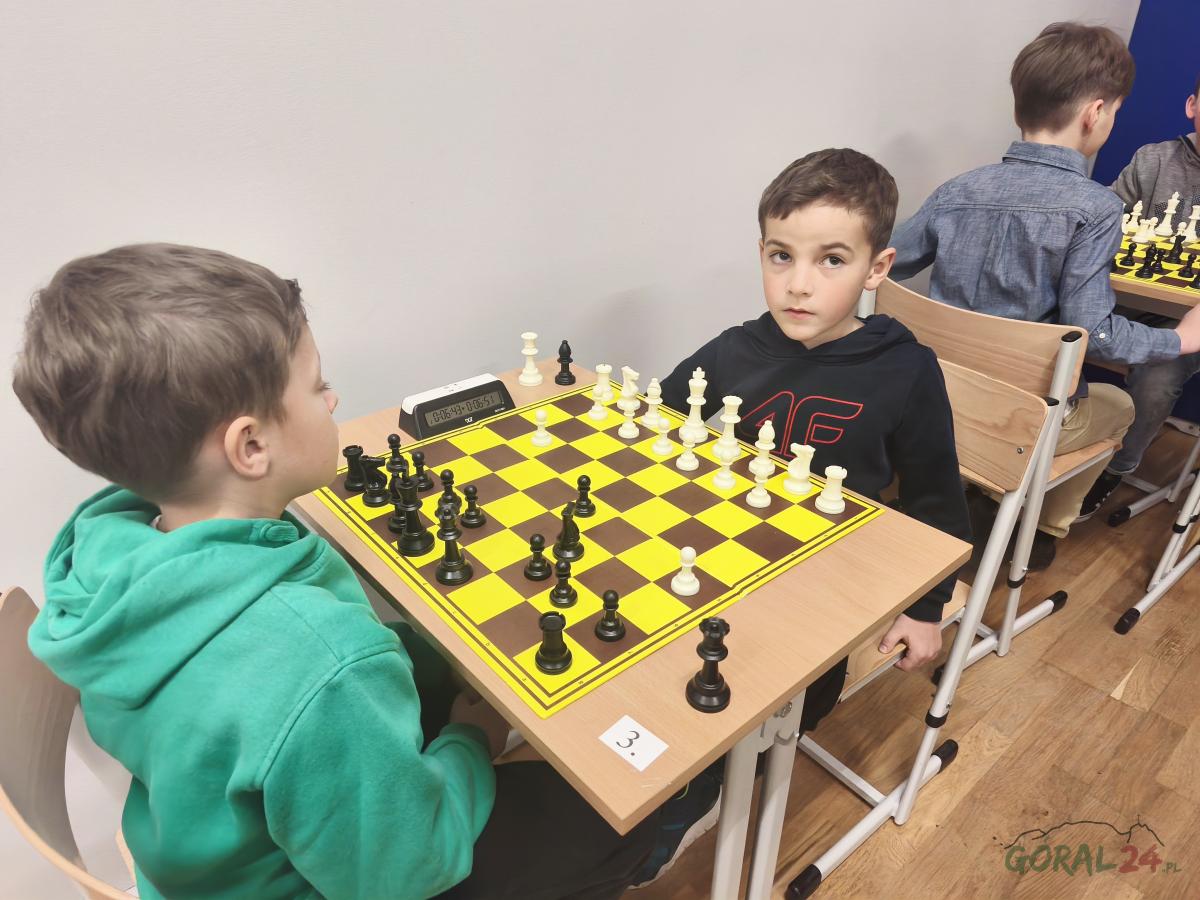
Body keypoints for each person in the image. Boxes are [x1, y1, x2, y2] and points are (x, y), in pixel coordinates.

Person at [11, 244, 718, 900]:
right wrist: (471, 740)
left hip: (199, 856)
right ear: (251, 446)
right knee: (630, 807)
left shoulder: (109, 559)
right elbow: (404, 867)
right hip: (341, 879)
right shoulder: (320, 663)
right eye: (317, 387)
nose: (333, 401)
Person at [661, 148, 972, 729]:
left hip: (827, 580)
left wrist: (927, 608)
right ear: (761, 253)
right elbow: (654, 419)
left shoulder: (904, 370)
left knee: (759, 708)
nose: (798, 285)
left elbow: (937, 500)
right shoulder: (735, 349)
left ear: (877, 269)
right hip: (718, 558)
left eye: (832, 260)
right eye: (781, 256)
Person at [890, 22, 1200, 569]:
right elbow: (1094, 333)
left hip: (934, 395)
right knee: (1119, 405)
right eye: (1115, 111)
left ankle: (979, 487)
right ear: (1095, 114)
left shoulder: (958, 189)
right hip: (1022, 422)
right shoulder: (1094, 208)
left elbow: (884, 263)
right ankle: (1031, 527)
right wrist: (1179, 340)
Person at [1083, 72, 1200, 514]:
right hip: (1125, 304)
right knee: (1049, 328)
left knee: (1158, 377)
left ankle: (1116, 467)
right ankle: (1044, 442)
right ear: (1191, 105)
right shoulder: (1154, 160)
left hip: (1189, 322)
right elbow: (1105, 221)